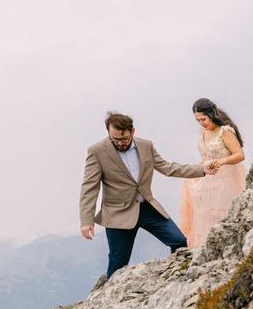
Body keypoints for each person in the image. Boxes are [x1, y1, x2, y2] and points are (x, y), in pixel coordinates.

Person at [80, 111, 207, 289]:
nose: (119, 143)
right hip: (117, 215)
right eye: (115, 139)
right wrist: (87, 221)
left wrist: (202, 170)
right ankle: (109, 300)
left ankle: (178, 284)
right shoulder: (97, 151)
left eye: (123, 139)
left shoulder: (146, 145)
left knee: (179, 241)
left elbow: (168, 168)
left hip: (148, 208)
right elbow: (89, 188)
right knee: (118, 264)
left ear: (132, 131)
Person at [177, 97, 247, 249]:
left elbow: (240, 155)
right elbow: (206, 156)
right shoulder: (204, 132)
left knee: (223, 212)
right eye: (198, 120)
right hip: (209, 179)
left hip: (227, 179)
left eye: (204, 118)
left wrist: (221, 161)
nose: (202, 123)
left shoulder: (225, 131)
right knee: (205, 215)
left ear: (211, 114)